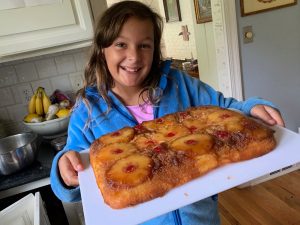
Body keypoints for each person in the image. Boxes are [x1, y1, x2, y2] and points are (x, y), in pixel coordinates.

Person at [50, 1, 285, 224]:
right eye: (121, 44)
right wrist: (64, 170)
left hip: (199, 218)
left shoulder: (178, 83)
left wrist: (251, 106)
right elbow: (74, 173)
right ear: (103, 49)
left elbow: (222, 106)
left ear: (154, 50)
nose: (133, 56)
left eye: (144, 45)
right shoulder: (88, 110)